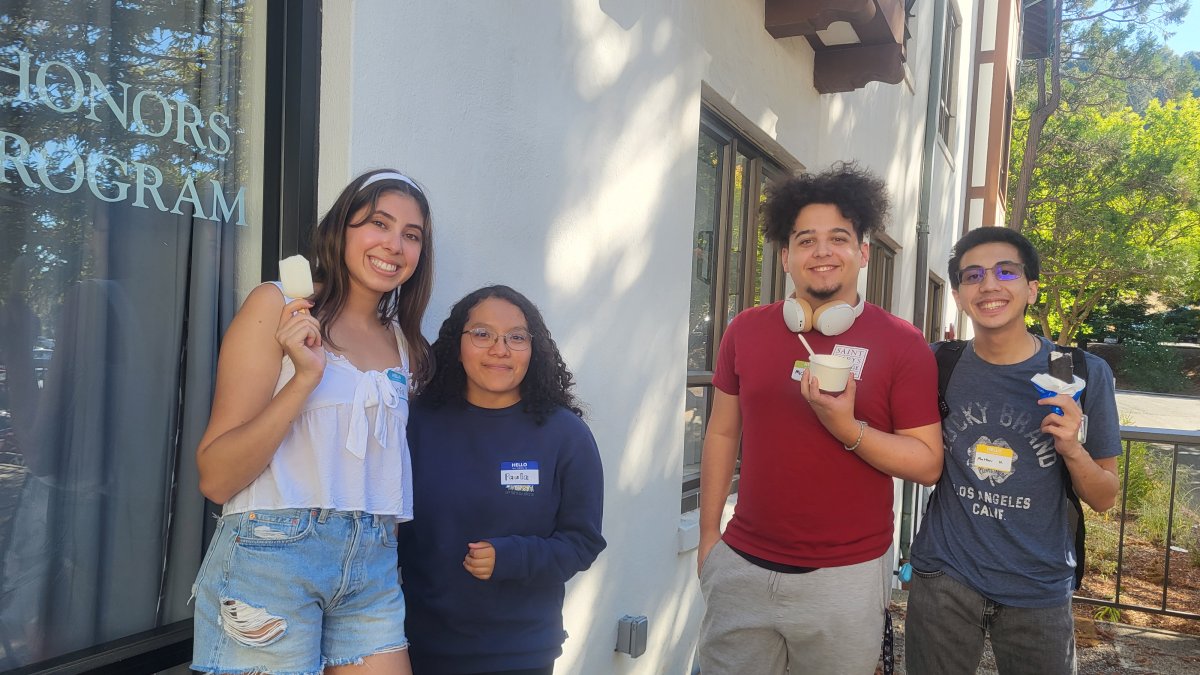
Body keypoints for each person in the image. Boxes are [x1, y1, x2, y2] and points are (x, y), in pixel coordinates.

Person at [696, 163, 944, 674]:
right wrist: (708, 541)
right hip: (741, 565)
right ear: (786, 256)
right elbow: (722, 432)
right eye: (806, 240)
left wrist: (847, 428)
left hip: (847, 578)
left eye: (839, 238)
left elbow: (926, 463)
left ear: (863, 252)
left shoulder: (903, 343)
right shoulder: (746, 330)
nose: (823, 251)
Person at [191, 169, 435, 675]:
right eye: (378, 223)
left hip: (372, 564)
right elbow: (216, 477)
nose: (394, 244)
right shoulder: (278, 305)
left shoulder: (403, 342)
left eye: (411, 235)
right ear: (341, 229)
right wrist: (303, 379)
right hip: (272, 556)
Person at [905, 227, 1120, 674]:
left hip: (1038, 585)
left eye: (1006, 271)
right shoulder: (936, 363)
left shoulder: (1078, 373)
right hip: (945, 574)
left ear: (1031, 289)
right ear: (961, 296)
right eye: (973, 275)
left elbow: (1104, 498)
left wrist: (1072, 449)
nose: (989, 284)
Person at [397, 285, 606, 675]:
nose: (500, 349)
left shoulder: (565, 435)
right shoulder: (417, 424)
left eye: (516, 337)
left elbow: (583, 542)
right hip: (420, 648)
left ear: (534, 348)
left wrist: (515, 557)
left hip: (520, 654)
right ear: (456, 344)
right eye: (482, 334)